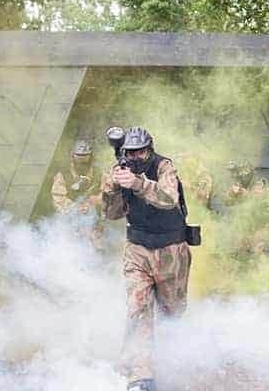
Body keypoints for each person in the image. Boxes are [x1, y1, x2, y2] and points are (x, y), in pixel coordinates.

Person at [98, 127, 191, 391]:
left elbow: (169, 199)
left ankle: (175, 355)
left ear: (150, 149)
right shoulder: (120, 170)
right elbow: (111, 213)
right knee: (138, 307)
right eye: (131, 153)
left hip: (171, 250)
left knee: (172, 310)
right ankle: (140, 375)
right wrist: (113, 188)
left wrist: (138, 184)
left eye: (142, 152)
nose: (137, 157)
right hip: (138, 250)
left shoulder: (164, 167)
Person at [50, 139, 104, 248]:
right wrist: (75, 207)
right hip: (70, 220)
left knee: (97, 246)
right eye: (79, 157)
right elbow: (58, 198)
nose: (82, 161)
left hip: (94, 222)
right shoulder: (63, 175)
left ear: (91, 157)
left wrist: (94, 201)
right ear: (73, 156)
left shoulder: (99, 174)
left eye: (85, 157)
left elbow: (109, 193)